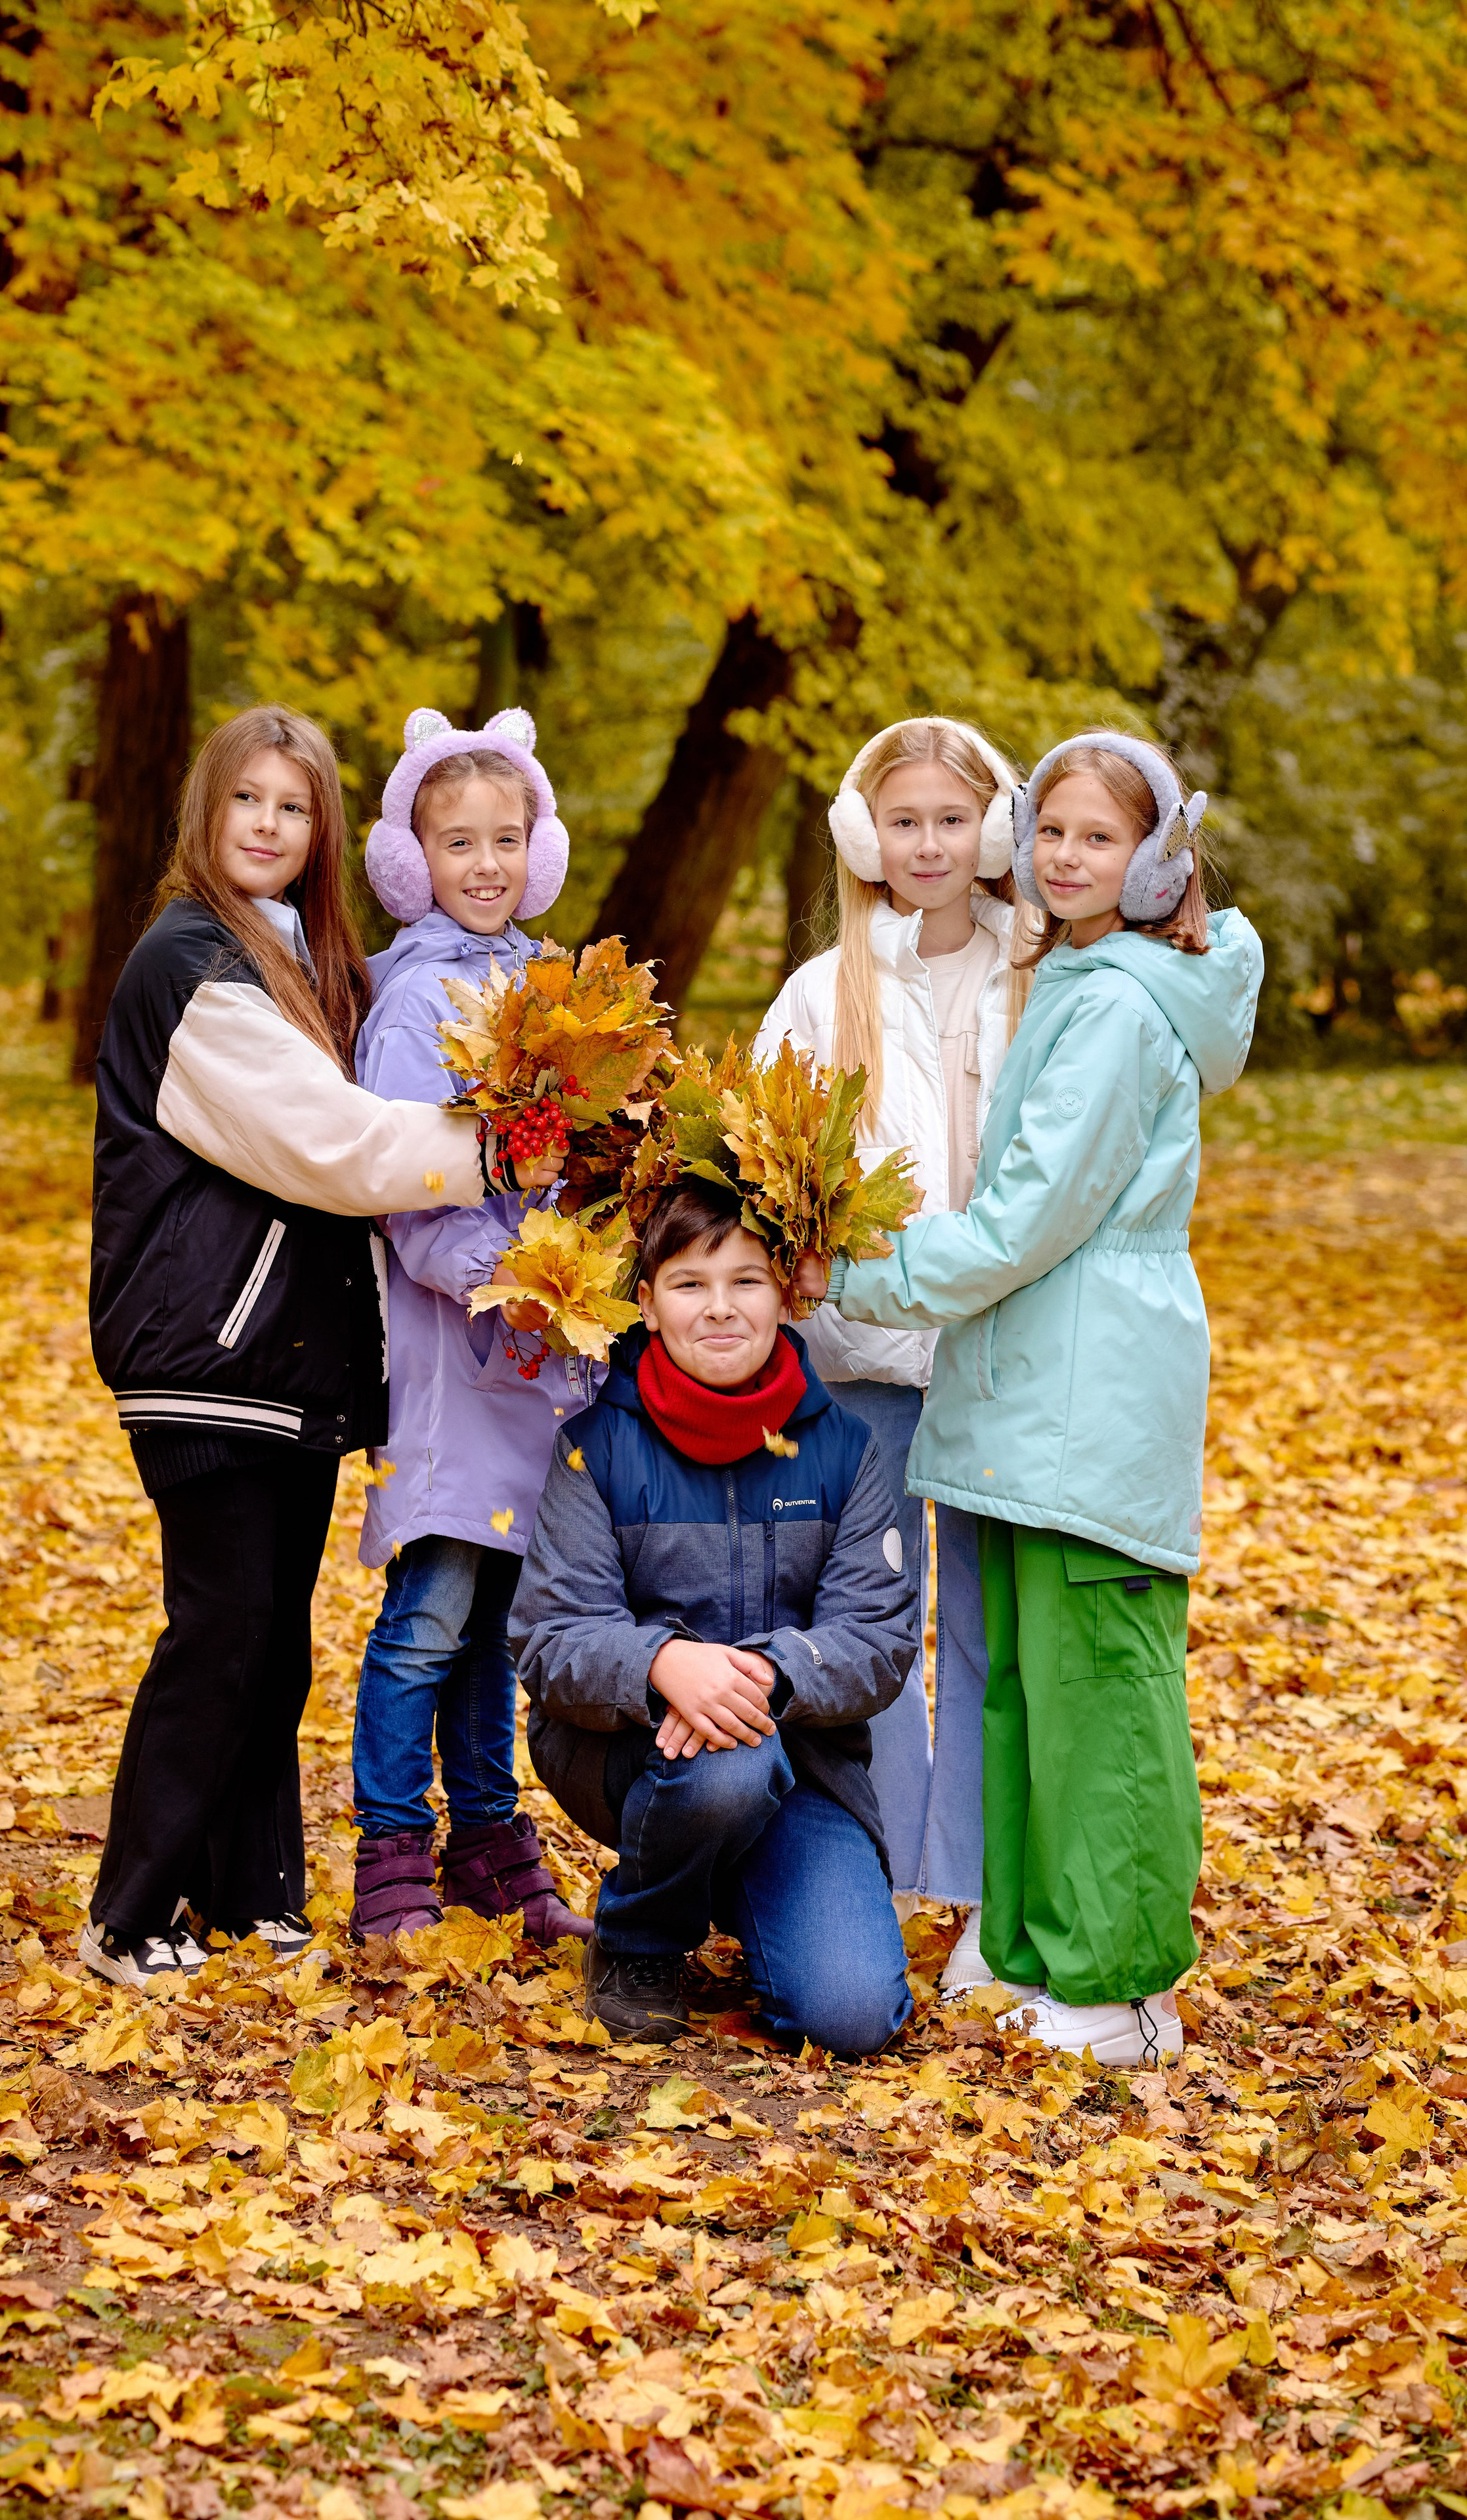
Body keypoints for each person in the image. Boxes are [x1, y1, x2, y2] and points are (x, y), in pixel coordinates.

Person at [83, 705, 558, 1992]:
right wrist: (499, 1154)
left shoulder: (290, 953)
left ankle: (249, 1893)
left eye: (293, 809)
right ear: (207, 815)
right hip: (208, 1342)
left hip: (279, 1355)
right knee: (222, 1628)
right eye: (248, 803)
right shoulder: (191, 967)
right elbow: (332, 1143)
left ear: (323, 832)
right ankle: (129, 1908)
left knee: (268, 1633)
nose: (269, 828)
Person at [811, 731, 1262, 2067]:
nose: (1066, 858)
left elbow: (1020, 1223)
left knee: (1096, 1690)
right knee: (1021, 1683)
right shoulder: (1070, 975)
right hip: (1019, 1382)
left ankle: (1119, 1983)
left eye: (1098, 838)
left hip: (1084, 1377)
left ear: (1156, 857)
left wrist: (846, 1275)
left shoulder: (1122, 1006)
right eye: (1051, 831)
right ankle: (1023, 1940)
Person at [511, 1177, 918, 2055]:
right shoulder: (597, 1447)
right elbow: (548, 1639)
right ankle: (641, 1939)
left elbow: (877, 1640)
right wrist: (662, 1665)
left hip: (803, 1766)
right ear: (648, 1305)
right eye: (691, 1284)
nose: (720, 1308)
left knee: (849, 2017)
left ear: (785, 1295)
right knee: (730, 1767)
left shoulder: (842, 1448)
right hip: (624, 1752)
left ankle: (738, 1882)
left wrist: (763, 1675)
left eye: (747, 1280)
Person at [755, 717, 1033, 1997]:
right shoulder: (824, 991)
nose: (927, 844)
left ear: (991, 826)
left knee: (985, 1625)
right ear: (867, 835)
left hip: (995, 1360)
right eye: (904, 820)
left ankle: (976, 1889)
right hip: (855, 1361)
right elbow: (762, 1160)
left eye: (949, 819)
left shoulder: (1032, 972)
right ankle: (871, 1865)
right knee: (869, 1621)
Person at [348, 705, 592, 1946]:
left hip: (535, 1363)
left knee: (496, 1624)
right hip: (457, 1361)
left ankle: (489, 1841)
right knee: (429, 1618)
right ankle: (391, 1847)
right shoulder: (415, 1005)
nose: (487, 864)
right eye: (459, 843)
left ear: (539, 850)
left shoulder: (548, 993)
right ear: (412, 861)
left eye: (508, 839)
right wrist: (529, 1278)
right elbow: (409, 1200)